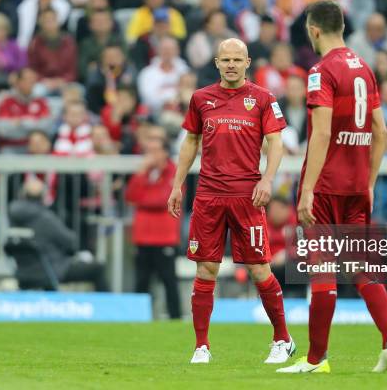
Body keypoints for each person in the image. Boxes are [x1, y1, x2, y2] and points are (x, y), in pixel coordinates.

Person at [278, 1, 387, 374]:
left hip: (326, 187)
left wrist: (307, 190)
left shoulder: (321, 71)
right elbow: (380, 131)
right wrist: (368, 182)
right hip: (355, 187)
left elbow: (320, 133)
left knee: (322, 270)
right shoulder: (365, 69)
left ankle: (317, 360)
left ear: (314, 30)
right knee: (361, 267)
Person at [167, 38, 294, 364]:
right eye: (226, 59)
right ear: (217, 62)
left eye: (237, 59)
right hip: (209, 195)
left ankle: (282, 338)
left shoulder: (263, 99)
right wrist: (177, 184)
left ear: (248, 61)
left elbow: (276, 143)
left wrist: (267, 179)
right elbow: (190, 141)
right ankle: (201, 346)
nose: (232, 65)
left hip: (246, 196)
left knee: (258, 269)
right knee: (206, 268)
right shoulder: (201, 98)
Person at [9, 178, 109, 291]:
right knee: (97, 269)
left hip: (22, 271)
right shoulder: (45, 217)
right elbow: (70, 242)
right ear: (43, 196)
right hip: (53, 268)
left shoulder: (12, 216)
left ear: (22, 195)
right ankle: (109, 306)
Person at [126, 137, 182, 319]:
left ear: (165, 152)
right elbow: (131, 196)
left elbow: (162, 199)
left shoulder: (175, 172)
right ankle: (137, 317)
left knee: (169, 282)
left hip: (164, 236)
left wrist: (144, 194)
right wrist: (142, 175)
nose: (151, 156)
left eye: (155, 150)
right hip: (143, 236)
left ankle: (176, 318)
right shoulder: (145, 173)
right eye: (148, 151)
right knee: (141, 282)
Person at [0, 67, 53, 154]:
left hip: (34, 147)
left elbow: (47, 127)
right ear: (18, 82)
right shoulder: (7, 102)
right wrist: (33, 123)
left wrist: (20, 122)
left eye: (33, 80)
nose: (31, 83)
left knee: (38, 141)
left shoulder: (41, 102)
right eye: (27, 79)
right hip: (10, 146)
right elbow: (1, 129)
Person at [27, 8, 77, 96]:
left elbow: (73, 69)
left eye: (53, 19)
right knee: (36, 92)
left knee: (78, 91)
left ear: (58, 21)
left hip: (64, 82)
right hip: (43, 83)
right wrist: (44, 80)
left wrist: (62, 80)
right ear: (41, 23)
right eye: (46, 20)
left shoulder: (69, 42)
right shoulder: (35, 43)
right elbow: (32, 69)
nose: (50, 23)